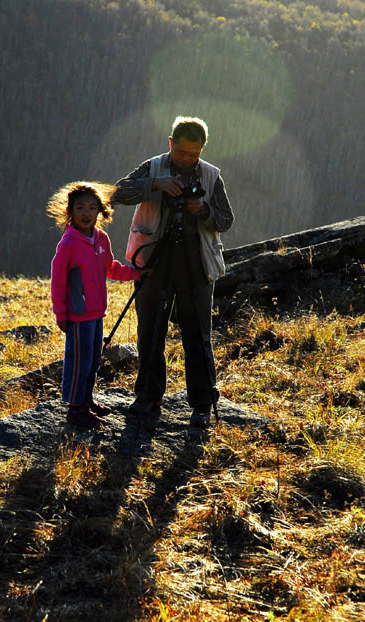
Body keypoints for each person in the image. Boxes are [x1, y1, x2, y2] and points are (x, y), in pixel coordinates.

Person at [112, 116, 234, 427]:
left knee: (197, 335)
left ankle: (203, 403)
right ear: (170, 144)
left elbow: (225, 219)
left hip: (196, 263)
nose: (187, 160)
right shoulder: (153, 168)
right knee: (150, 330)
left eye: (194, 154)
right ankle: (148, 396)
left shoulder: (210, 176)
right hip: (154, 260)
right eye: (182, 152)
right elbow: (119, 193)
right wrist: (155, 185)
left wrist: (203, 211)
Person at [48, 181, 142, 430]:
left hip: (97, 313)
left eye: (92, 207)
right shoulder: (68, 244)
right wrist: (61, 313)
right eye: (80, 208)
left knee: (92, 360)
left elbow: (110, 268)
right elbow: (57, 281)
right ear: (70, 211)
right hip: (77, 316)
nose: (86, 213)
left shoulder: (101, 239)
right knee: (78, 362)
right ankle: (75, 409)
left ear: (100, 211)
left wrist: (136, 274)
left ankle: (86, 400)